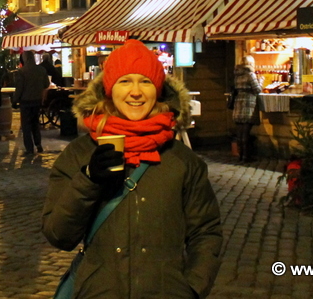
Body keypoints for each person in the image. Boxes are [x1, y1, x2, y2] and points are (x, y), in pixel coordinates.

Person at [42, 39, 223, 298]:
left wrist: (192, 288)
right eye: (125, 81)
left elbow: (206, 232)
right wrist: (89, 179)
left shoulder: (181, 160)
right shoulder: (79, 154)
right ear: (110, 89)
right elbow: (59, 234)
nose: (135, 92)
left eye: (145, 81)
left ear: (158, 90)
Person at [12, 50, 49, 155]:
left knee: (26, 126)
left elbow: (19, 88)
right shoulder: (41, 70)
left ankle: (29, 148)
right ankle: (38, 144)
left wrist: (15, 100)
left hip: (25, 101)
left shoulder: (21, 72)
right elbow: (46, 84)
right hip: (37, 100)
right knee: (35, 123)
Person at [232, 54, 263, 162]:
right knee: (246, 133)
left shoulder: (237, 75)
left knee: (240, 132)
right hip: (248, 104)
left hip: (238, 104)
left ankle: (240, 156)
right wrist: (261, 80)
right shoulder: (250, 74)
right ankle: (246, 156)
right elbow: (257, 89)